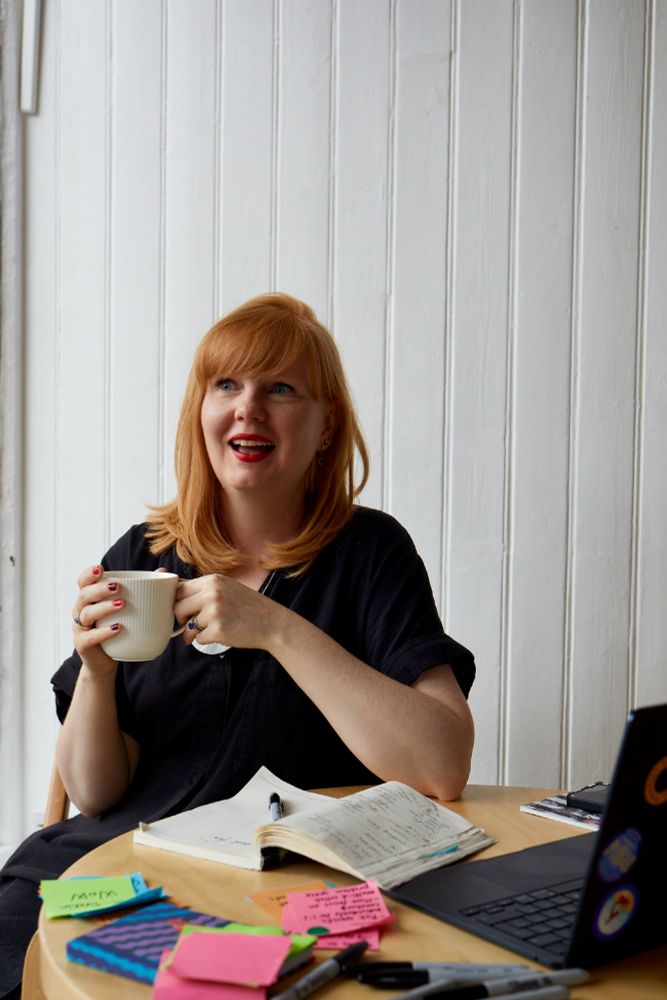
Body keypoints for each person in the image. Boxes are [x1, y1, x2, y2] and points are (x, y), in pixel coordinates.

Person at [0, 293, 475, 995]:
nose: (248, 407)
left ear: (323, 429)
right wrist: (96, 677)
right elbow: (96, 791)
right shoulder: (145, 554)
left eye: (280, 388)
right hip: (108, 879)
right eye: (227, 385)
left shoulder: (371, 553)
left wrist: (276, 628)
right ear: (202, 413)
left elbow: (441, 767)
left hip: (270, 902)